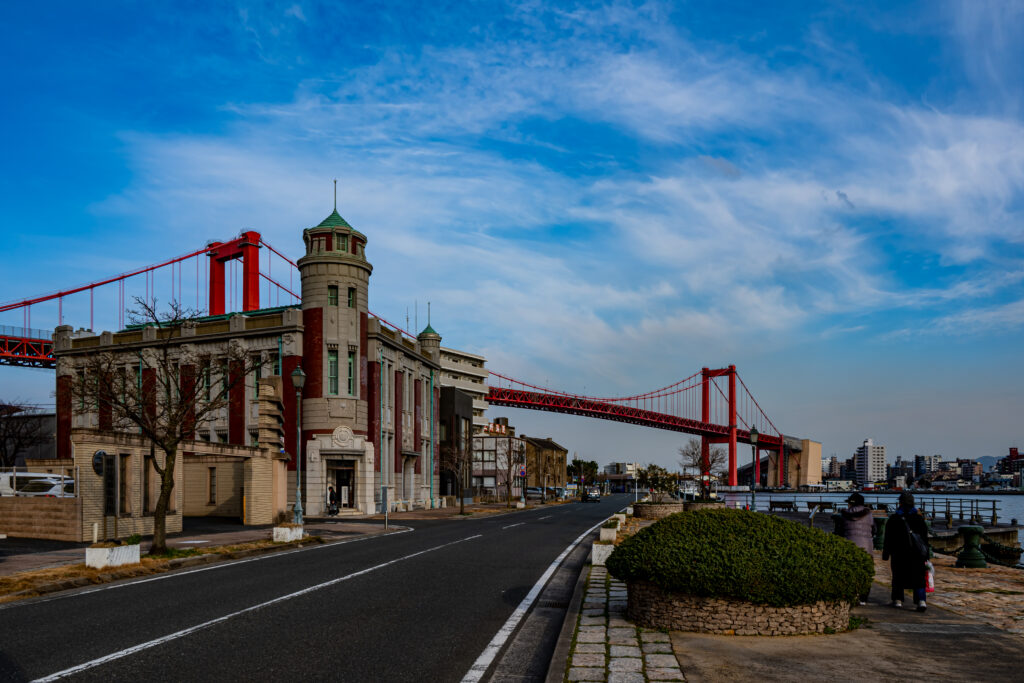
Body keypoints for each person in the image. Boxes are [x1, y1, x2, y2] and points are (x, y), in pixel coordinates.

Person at [883, 492, 930, 612]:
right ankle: (921, 600)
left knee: (898, 576)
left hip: (899, 552)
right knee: (919, 577)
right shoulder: (919, 518)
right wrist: (927, 554)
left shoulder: (894, 518)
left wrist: (886, 553)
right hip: (917, 553)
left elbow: (888, 538)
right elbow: (924, 538)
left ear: (900, 503)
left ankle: (898, 599)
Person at [840, 492, 875, 605]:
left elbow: (840, 530)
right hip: (866, 547)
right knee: (866, 572)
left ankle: (851, 595)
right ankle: (863, 598)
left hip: (849, 546)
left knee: (850, 571)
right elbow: (874, 530)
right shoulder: (868, 514)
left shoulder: (844, 515)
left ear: (851, 503)